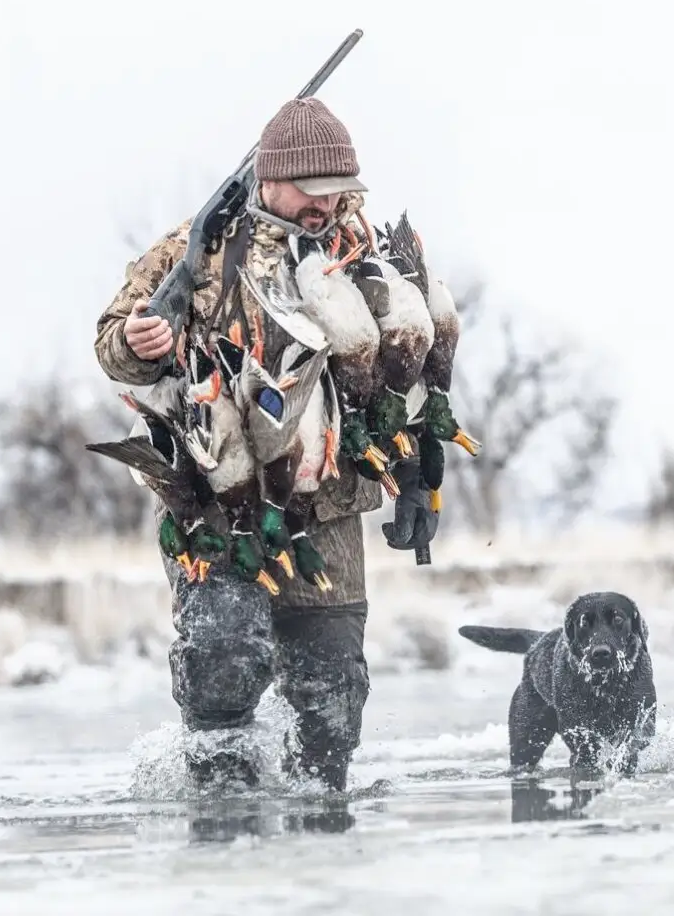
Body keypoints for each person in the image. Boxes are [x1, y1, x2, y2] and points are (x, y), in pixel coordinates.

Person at [93, 97, 439, 792]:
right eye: (311, 193)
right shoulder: (190, 250)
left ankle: (318, 849)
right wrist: (137, 343)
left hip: (331, 503)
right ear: (270, 179)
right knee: (222, 660)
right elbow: (111, 348)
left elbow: (410, 384)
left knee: (331, 699)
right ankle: (222, 819)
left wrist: (420, 481)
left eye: (338, 191)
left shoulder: (364, 252)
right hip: (215, 501)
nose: (326, 206)